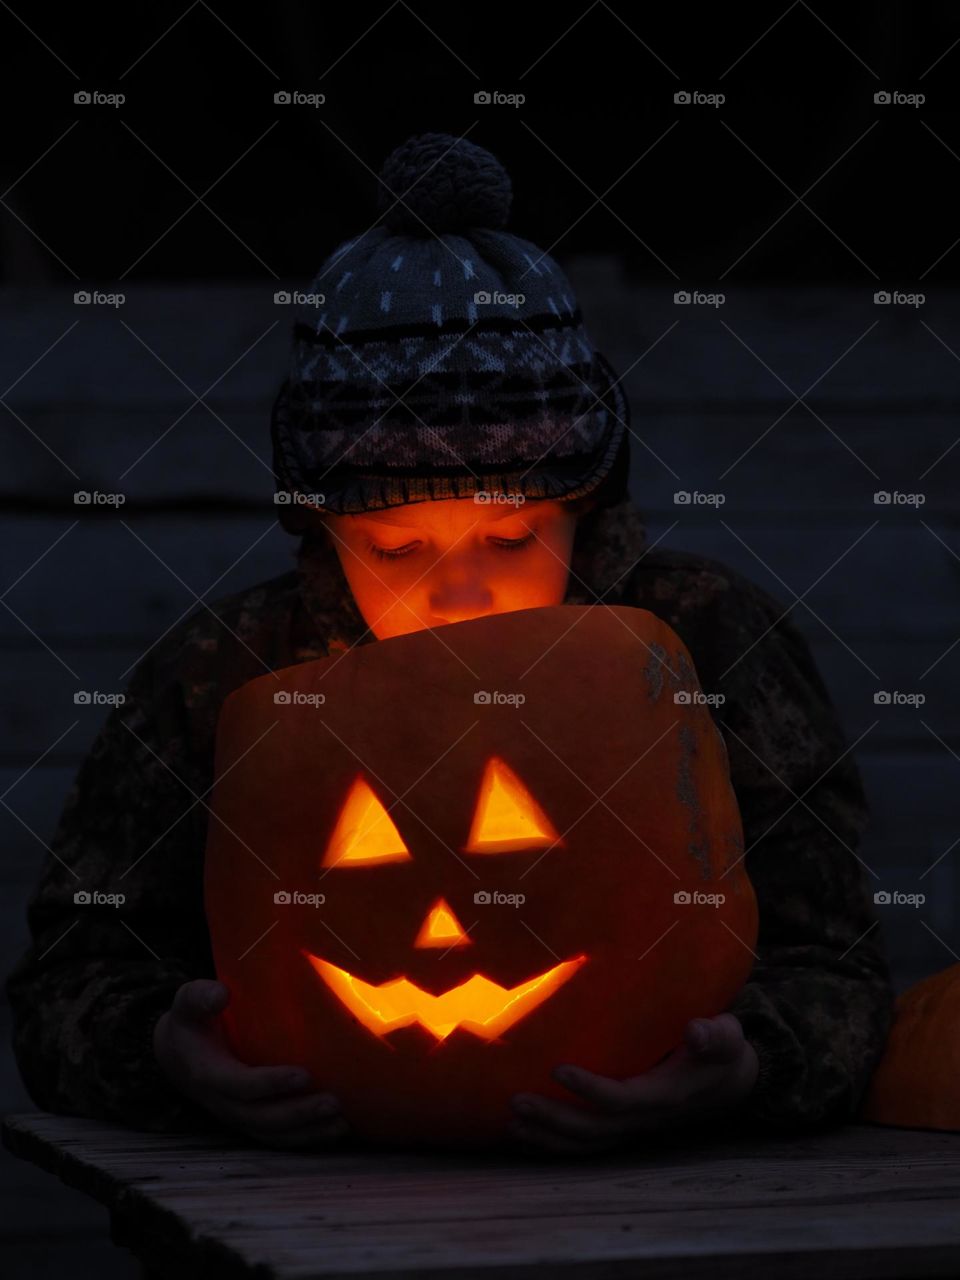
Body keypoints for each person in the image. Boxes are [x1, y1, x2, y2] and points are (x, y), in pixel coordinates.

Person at [6, 133, 894, 1156]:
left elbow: (837, 967)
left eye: (512, 534)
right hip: (311, 1198)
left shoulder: (706, 644)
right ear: (323, 528)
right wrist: (162, 1050)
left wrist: (752, 1060)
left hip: (678, 1195)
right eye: (398, 545)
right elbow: (66, 979)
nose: (461, 587)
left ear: (586, 507)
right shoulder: (228, 674)